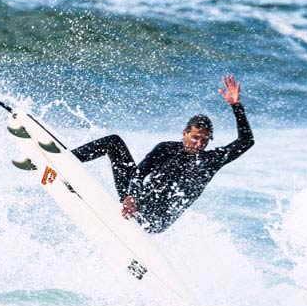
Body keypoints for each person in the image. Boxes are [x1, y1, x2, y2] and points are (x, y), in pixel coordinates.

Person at [71, 74, 254, 233]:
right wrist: (132, 196)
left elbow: (246, 141)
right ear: (185, 133)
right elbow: (138, 173)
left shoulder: (211, 160)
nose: (200, 144)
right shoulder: (166, 148)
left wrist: (236, 106)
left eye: (205, 140)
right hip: (134, 202)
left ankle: (134, 211)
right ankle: (65, 160)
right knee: (114, 143)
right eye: (195, 137)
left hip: (155, 220)